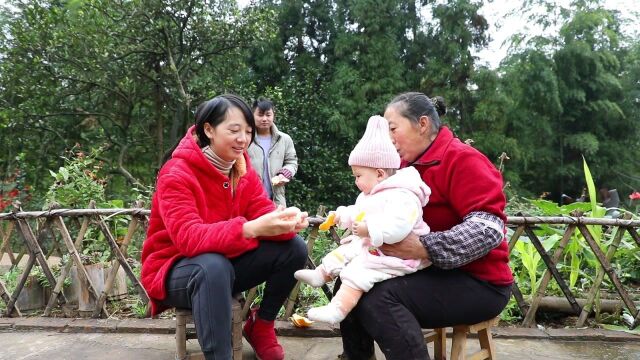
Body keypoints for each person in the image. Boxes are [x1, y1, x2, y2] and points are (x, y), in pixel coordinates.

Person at [338, 92, 513, 360]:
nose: (389, 137)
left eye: (393, 128)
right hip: (429, 271)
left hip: (479, 282)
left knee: (380, 300)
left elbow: (487, 228)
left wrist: (424, 247)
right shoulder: (400, 168)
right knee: (351, 283)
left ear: (422, 124)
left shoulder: (463, 160)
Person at [140, 94, 309, 360]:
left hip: (224, 264)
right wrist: (250, 229)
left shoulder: (242, 170)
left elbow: (262, 210)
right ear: (208, 129)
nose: (243, 138)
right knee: (211, 266)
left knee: (294, 247)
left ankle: (261, 325)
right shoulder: (176, 173)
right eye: (234, 130)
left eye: (248, 131)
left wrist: (286, 222)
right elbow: (188, 239)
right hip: (175, 271)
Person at [294, 115, 431, 324]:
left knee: (358, 271)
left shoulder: (403, 195)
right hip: (378, 246)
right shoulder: (372, 193)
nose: (356, 181)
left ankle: (337, 310)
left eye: (358, 176)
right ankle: (321, 274)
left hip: (400, 255)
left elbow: (399, 226)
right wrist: (340, 216)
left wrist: (370, 229)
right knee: (345, 250)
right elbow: (359, 211)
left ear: (379, 173)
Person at [247, 98, 298, 207]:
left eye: (268, 115)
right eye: (260, 115)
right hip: (250, 198)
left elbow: (292, 162)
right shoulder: (246, 138)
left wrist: (285, 173)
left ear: (273, 115)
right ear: (252, 116)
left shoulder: (284, 139)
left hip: (277, 199)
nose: (264, 119)